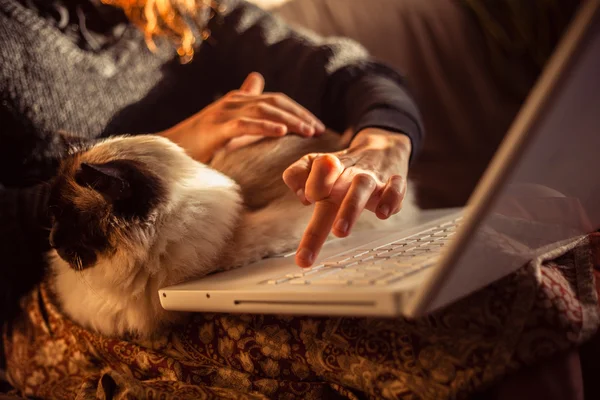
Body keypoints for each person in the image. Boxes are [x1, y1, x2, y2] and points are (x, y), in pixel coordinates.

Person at [0, 0, 422, 318]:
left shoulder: (190, 9)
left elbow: (352, 74)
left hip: (199, 248)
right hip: (73, 285)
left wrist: (383, 144)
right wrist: (172, 149)